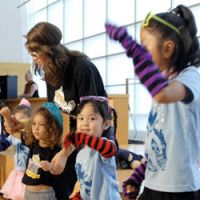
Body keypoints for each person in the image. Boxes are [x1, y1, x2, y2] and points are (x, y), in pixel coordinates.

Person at [105, 4, 200, 200]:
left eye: (144, 45)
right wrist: (139, 176)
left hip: (180, 190)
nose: (139, 51)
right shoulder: (166, 82)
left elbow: (162, 94)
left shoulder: (190, 77)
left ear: (168, 48)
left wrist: (130, 45)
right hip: (154, 184)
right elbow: (160, 145)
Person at [23, 21, 108, 195]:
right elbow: (53, 113)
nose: (35, 59)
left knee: (88, 187)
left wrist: (65, 152)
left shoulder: (81, 69)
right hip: (74, 133)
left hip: (95, 133)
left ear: (49, 50)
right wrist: (26, 126)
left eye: (35, 53)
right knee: (60, 183)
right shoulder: (50, 73)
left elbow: (90, 120)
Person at [63, 95, 121, 200]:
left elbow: (111, 149)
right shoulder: (81, 153)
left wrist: (82, 137)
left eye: (92, 118)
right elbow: (85, 182)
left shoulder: (104, 146)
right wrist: (79, 196)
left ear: (106, 124)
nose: (85, 123)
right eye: (81, 118)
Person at [17, 102, 75, 200]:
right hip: (27, 192)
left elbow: (57, 169)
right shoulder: (33, 144)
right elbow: (13, 131)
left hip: (44, 195)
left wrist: (50, 166)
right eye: (34, 124)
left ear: (52, 129)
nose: (36, 128)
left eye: (41, 125)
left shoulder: (56, 150)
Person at [0, 99, 32, 200]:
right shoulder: (13, 136)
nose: (17, 126)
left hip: (29, 173)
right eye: (15, 122)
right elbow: (4, 144)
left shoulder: (30, 136)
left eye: (21, 121)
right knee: (15, 196)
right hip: (17, 172)